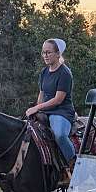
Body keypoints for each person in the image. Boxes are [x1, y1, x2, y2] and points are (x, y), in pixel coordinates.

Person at [25, 38, 76, 172]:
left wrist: (37, 107)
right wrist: (35, 110)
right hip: (45, 111)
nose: (45, 56)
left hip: (61, 111)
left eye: (49, 52)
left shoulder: (65, 73)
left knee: (59, 134)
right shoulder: (44, 73)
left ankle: (74, 165)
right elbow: (41, 94)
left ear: (58, 54)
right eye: (43, 53)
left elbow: (58, 100)